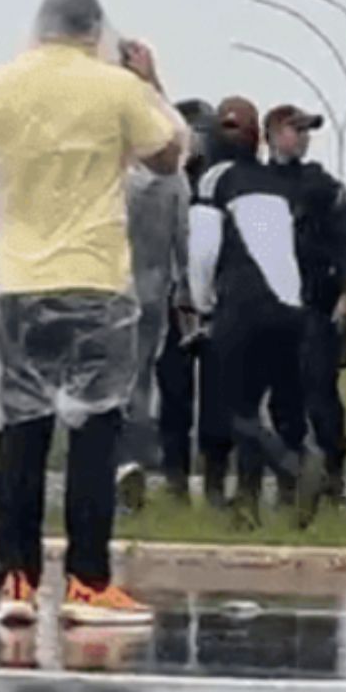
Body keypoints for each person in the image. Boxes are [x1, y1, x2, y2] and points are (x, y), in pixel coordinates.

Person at [0, 0, 185, 627]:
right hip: (94, 281)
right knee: (94, 435)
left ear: (40, 25)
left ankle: (17, 578)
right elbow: (167, 158)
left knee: (22, 433)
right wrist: (150, 84)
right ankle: (88, 582)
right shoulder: (116, 88)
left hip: (17, 282)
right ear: (96, 31)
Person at [188, 98, 328, 529]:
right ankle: (248, 505)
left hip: (243, 305)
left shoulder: (215, 179)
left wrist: (201, 304)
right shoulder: (273, 183)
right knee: (263, 404)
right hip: (290, 309)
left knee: (234, 408)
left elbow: (203, 250)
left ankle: (290, 466)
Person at [264, 105, 346, 503]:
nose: (303, 138)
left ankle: (332, 475)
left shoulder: (321, 185)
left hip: (318, 302)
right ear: (272, 134)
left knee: (322, 392)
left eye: (306, 131)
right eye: (295, 130)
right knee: (283, 396)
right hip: (274, 304)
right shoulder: (257, 185)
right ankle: (291, 476)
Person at [114, 121, 194, 512]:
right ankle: (134, 459)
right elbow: (184, 241)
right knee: (142, 384)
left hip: (110, 290)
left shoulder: (117, 180)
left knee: (105, 383)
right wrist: (187, 292)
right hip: (153, 295)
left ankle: (116, 461)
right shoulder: (175, 184)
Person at [155, 99, 220, 503]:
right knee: (174, 393)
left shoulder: (219, 183)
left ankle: (213, 476)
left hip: (213, 300)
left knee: (216, 395)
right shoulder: (161, 183)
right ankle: (175, 475)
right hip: (172, 299)